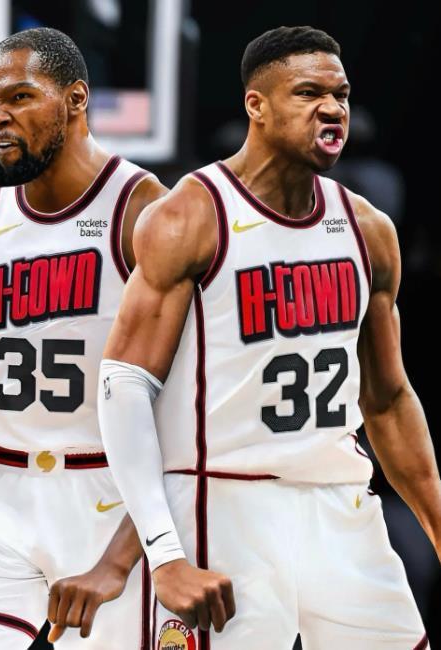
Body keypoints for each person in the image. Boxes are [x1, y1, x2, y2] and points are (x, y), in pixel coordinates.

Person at [98, 25, 438, 649]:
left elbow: (388, 400)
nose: (332, 108)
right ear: (256, 105)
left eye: (340, 95)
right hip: (224, 503)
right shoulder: (189, 216)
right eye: (309, 93)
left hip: (341, 503)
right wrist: (164, 552)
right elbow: (122, 387)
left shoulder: (367, 228)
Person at [0, 27, 166, 650]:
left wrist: (138, 545)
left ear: (76, 100)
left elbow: (186, 400)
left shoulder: (141, 208)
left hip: (109, 490)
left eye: (20, 97)